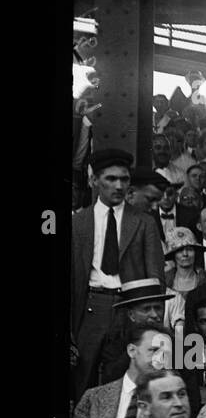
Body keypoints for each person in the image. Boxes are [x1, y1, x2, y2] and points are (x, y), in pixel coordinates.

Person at [72, 149, 166, 397]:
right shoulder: (78, 224)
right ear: (94, 181)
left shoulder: (144, 221)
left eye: (124, 179)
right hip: (91, 307)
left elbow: (156, 275)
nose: (119, 185)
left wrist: (152, 319)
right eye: (110, 179)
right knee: (83, 380)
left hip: (131, 309)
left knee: (127, 381)